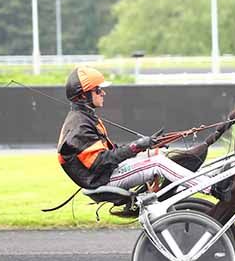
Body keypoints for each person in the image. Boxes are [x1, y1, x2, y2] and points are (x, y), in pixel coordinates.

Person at [57, 67, 212, 194]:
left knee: (157, 154)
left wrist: (146, 146)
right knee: (157, 163)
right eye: (98, 90)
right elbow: (101, 162)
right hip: (104, 179)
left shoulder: (84, 118)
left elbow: (109, 153)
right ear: (83, 96)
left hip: (106, 173)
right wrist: (136, 146)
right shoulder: (79, 126)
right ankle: (211, 187)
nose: (103, 93)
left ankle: (184, 188)